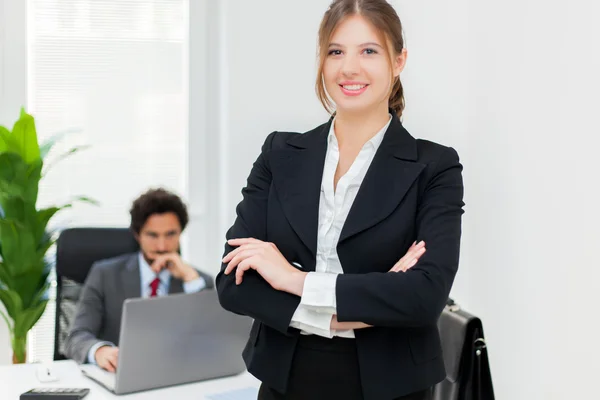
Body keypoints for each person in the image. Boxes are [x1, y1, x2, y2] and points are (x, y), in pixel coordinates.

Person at [216, 0, 465, 399]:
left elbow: (424, 297)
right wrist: (348, 314)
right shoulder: (279, 154)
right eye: (336, 51)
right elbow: (233, 281)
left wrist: (294, 279)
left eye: (369, 51)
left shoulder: (434, 167)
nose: (349, 67)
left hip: (391, 389)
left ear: (398, 61)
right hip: (284, 381)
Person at [64, 188, 214, 372]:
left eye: (170, 234)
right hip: (123, 374)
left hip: (177, 375)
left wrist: (191, 281)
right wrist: (100, 351)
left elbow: (213, 342)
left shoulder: (199, 282)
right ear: (137, 234)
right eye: (152, 235)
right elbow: (77, 336)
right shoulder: (104, 275)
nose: (162, 246)